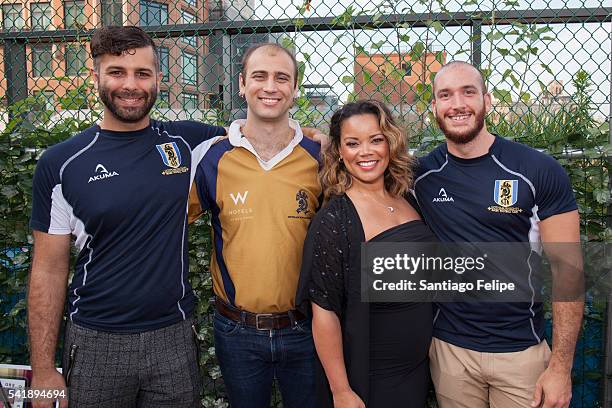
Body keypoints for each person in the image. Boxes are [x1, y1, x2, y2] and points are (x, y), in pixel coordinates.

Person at [27, 26, 228, 407]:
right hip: (95, 340)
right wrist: (42, 371)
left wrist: (309, 135)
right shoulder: (62, 163)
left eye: (142, 73)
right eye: (117, 72)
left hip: (173, 337)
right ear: (97, 77)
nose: (130, 85)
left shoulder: (186, 140)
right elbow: (48, 270)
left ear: (157, 78)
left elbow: (255, 138)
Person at [413, 61, 583, 408]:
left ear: (487, 101)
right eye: (445, 95)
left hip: (521, 353)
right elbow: (361, 161)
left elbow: (569, 270)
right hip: (450, 352)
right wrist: (314, 136)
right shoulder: (422, 176)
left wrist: (561, 368)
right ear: (434, 108)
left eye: (468, 92)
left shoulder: (536, 170)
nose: (457, 103)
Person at [189, 43, 321, 408]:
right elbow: (166, 225)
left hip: (307, 328)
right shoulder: (213, 158)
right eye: (259, 76)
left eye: (282, 78)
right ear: (242, 83)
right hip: (236, 330)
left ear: (295, 89)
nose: (270, 86)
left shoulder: (320, 157)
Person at [296, 100, 436, 408]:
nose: (366, 151)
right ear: (340, 152)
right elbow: (324, 313)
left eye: (376, 139)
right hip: (371, 377)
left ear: (390, 143)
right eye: (353, 143)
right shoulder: (335, 220)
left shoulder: (410, 198)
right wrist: (341, 391)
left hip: (420, 372)